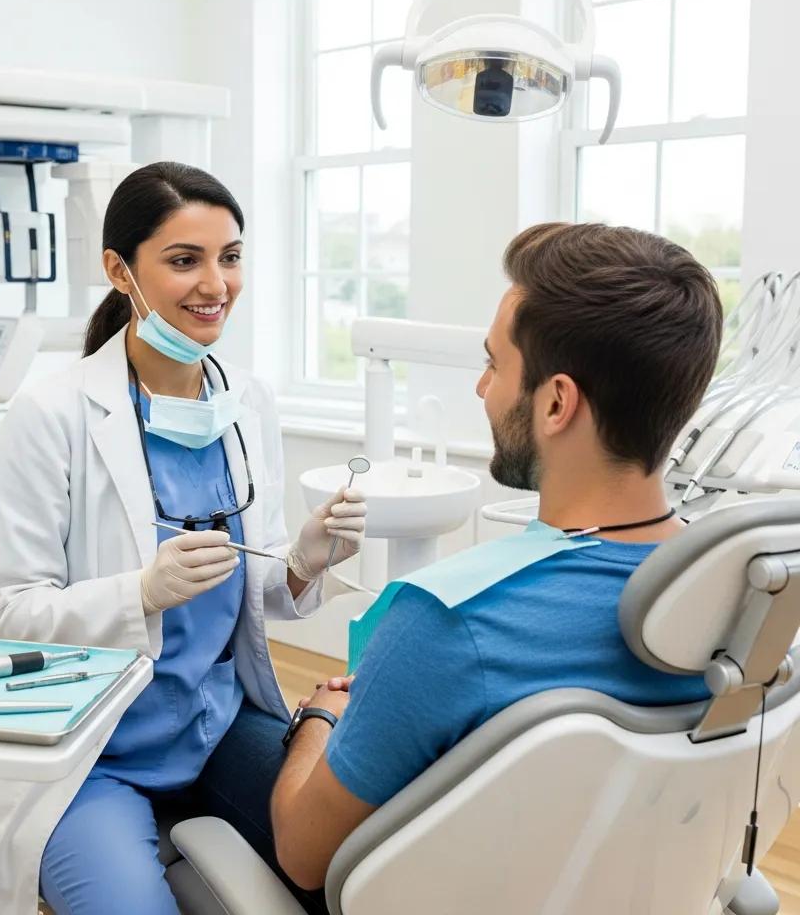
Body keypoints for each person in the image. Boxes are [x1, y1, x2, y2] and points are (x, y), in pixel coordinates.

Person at [270, 221, 723, 895]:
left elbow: (304, 855)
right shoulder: (742, 598)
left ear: (557, 402)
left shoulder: (446, 621)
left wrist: (318, 719)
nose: (482, 389)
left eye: (494, 365)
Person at [0, 161, 367, 915]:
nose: (215, 284)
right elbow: (9, 611)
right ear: (119, 270)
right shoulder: (52, 413)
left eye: (230, 257)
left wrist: (301, 562)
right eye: (185, 260)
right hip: (91, 749)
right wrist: (140, 594)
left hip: (217, 723)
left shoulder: (247, 402)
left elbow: (252, 589)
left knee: (353, 868)